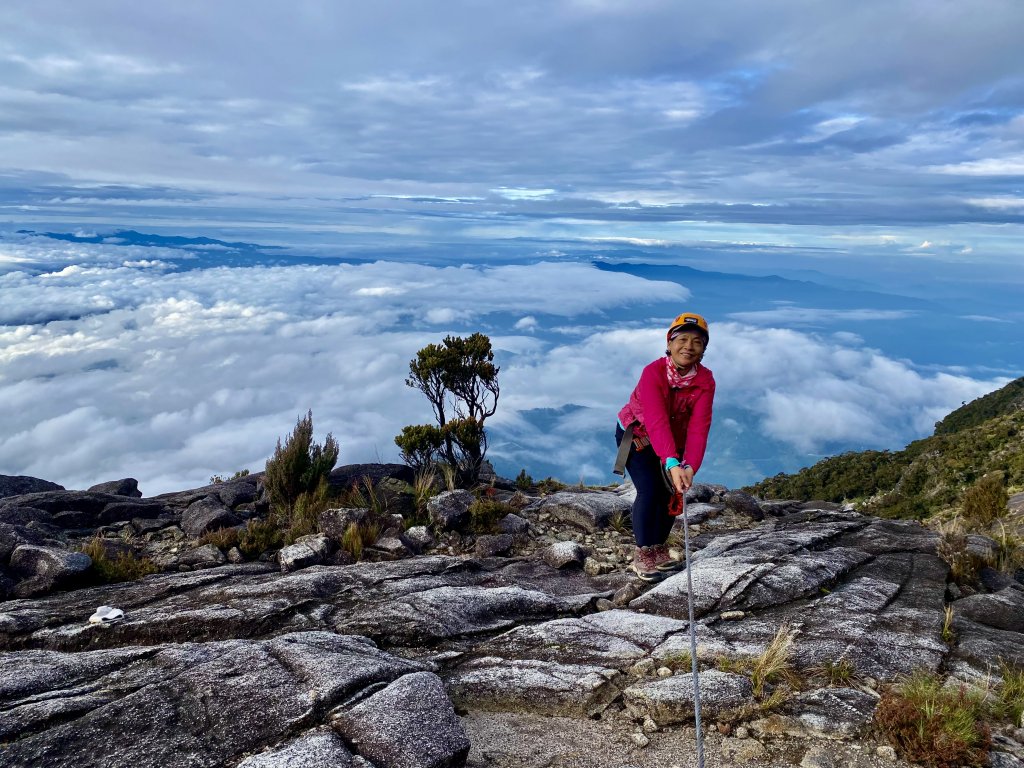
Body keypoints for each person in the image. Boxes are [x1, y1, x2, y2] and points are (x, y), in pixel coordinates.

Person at [613, 312, 716, 581]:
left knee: (672, 491)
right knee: (650, 489)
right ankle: (643, 552)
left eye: (697, 341)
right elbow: (657, 421)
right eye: (682, 339)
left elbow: (699, 427)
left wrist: (690, 465)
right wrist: (672, 462)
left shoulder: (705, 381)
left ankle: (658, 548)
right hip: (638, 436)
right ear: (669, 344)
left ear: (704, 349)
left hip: (674, 440)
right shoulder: (653, 373)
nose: (689, 347)